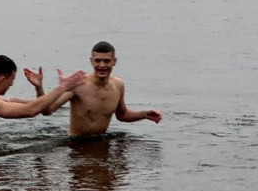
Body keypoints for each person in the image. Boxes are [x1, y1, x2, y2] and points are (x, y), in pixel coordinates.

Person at [0, 55, 86, 151]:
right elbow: (29, 111)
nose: (11, 85)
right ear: (1, 80)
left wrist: (39, 88)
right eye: (11, 80)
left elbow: (30, 105)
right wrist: (62, 87)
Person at [32, 41, 162, 136]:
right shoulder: (78, 85)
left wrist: (144, 114)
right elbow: (47, 110)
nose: (102, 65)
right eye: (97, 61)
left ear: (114, 61)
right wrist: (39, 87)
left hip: (101, 143)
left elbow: (122, 115)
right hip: (77, 145)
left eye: (106, 61)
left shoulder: (118, 85)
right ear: (91, 61)